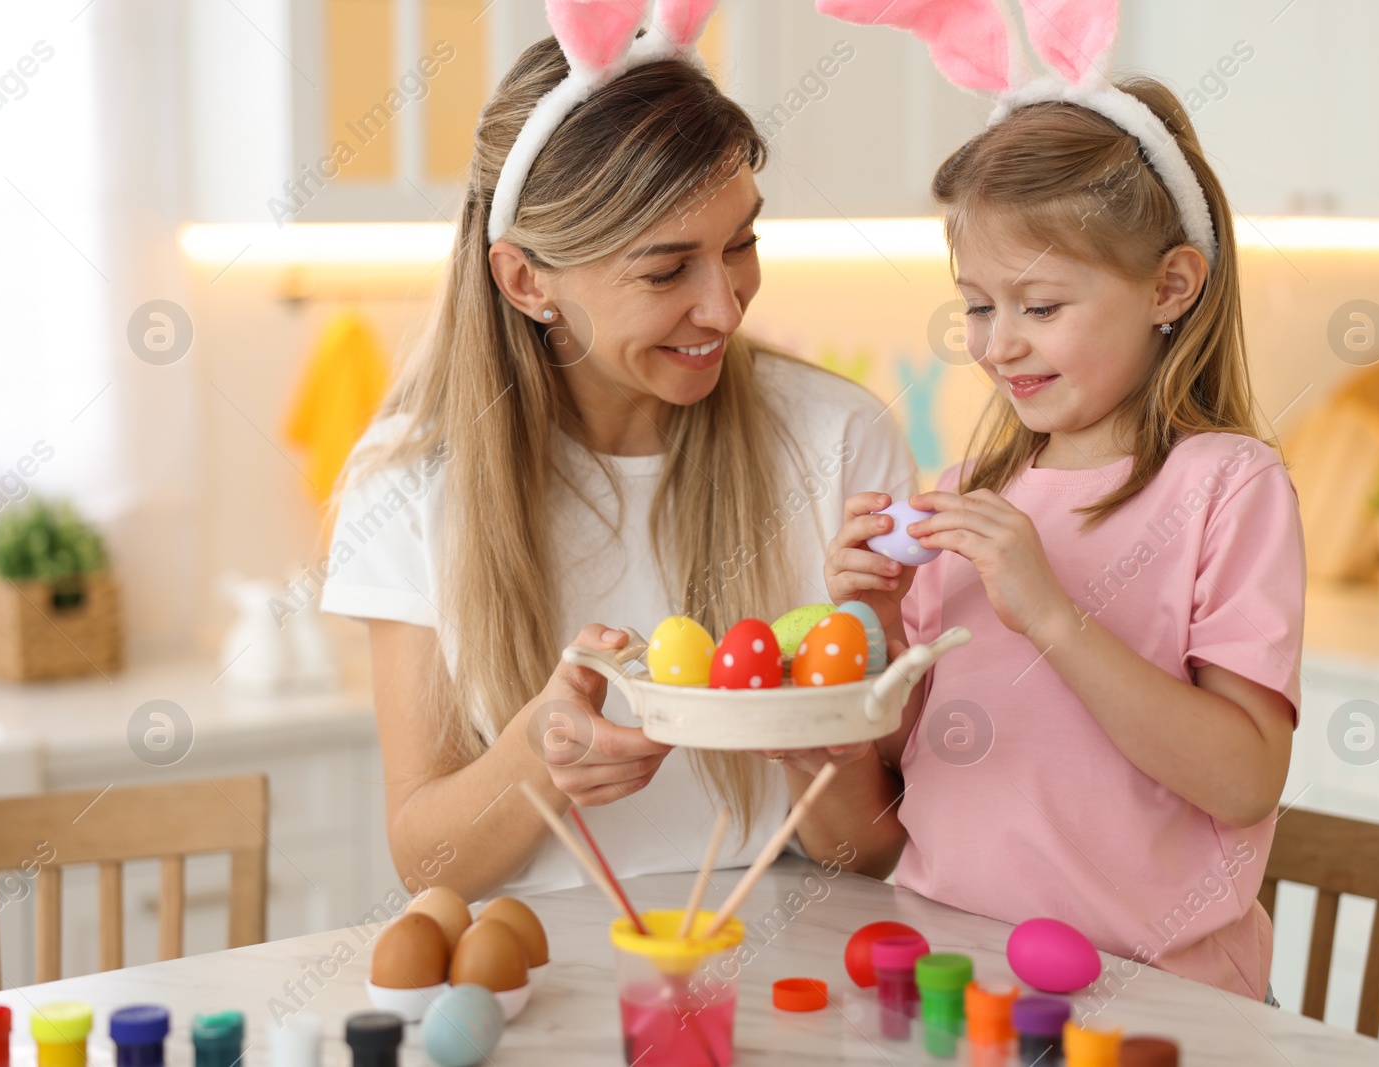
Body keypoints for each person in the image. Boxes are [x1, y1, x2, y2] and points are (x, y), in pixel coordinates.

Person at [319, 17, 916, 902]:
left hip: (796, 971)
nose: (724, 306)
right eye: (668, 271)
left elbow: (865, 858)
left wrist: (822, 732)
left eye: (742, 244)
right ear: (527, 281)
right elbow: (427, 864)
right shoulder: (409, 480)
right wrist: (536, 754)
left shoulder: (839, 438)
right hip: (543, 986)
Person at [789, 3, 1305, 1003]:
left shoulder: (1226, 486)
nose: (995, 343)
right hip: (952, 980)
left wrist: (1052, 615)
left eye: (1039, 306)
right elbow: (883, 819)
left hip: (1160, 1004)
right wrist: (879, 633)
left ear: (1170, 287)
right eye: (977, 304)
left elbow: (1244, 778)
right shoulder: (970, 500)